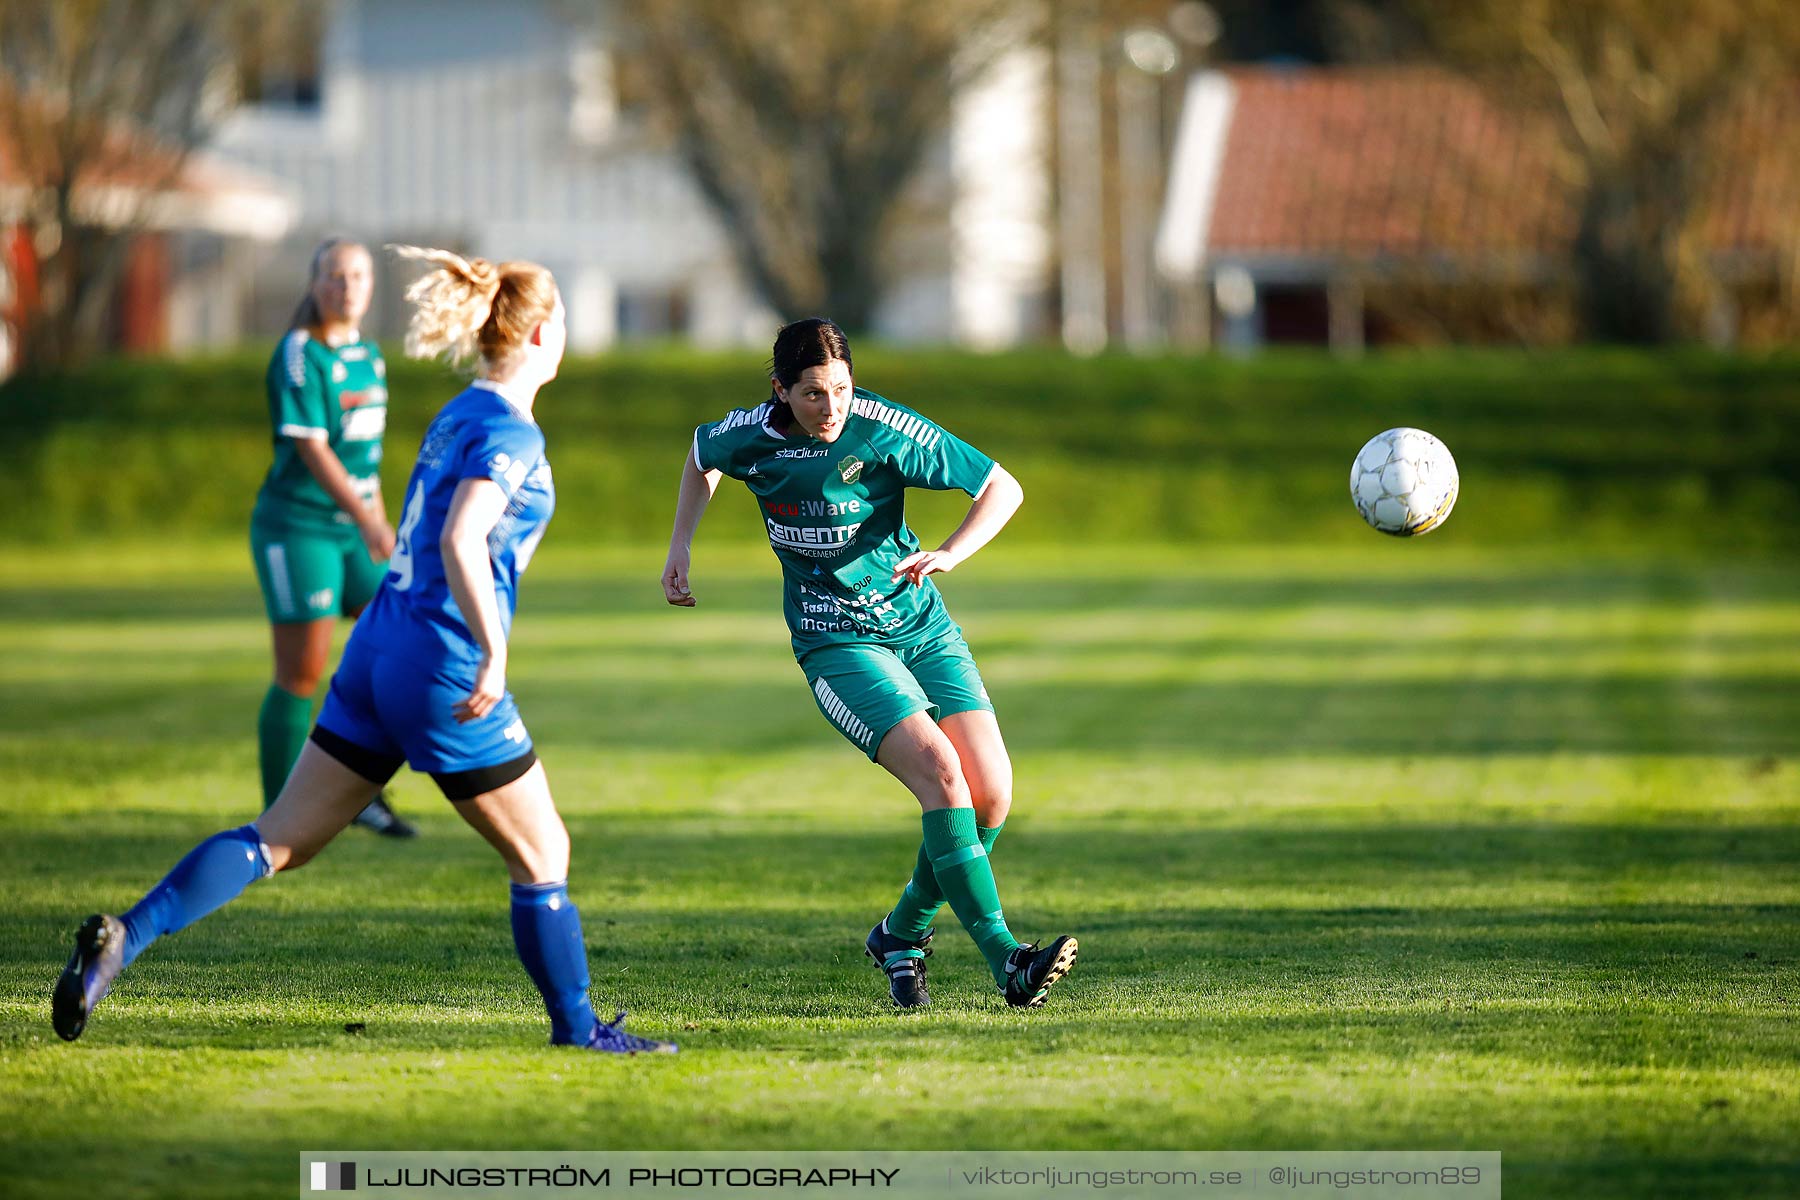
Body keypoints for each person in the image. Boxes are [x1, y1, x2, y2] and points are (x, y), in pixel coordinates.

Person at [54, 247, 676, 1055]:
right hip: (439, 660)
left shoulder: (459, 411)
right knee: (544, 850)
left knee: (280, 839)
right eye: (559, 322)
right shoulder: (509, 432)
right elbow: (462, 536)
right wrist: (492, 651)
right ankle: (580, 1030)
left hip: (377, 647)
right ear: (539, 334)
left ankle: (124, 940)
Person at [662, 317, 1077, 1010]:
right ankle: (1009, 961)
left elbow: (1002, 486)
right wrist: (681, 544)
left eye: (843, 390)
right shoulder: (747, 438)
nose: (832, 409)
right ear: (780, 391)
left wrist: (951, 552)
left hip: (920, 623)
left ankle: (901, 932)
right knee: (944, 776)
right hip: (835, 640)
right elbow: (701, 455)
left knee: (993, 796)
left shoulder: (884, 427)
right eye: (814, 394)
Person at [251, 238, 414, 837]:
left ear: (372, 285)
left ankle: (359, 793)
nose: (347, 286)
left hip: (354, 530)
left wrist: (384, 525)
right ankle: (280, 818)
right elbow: (314, 450)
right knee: (302, 670)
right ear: (315, 282)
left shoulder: (370, 356)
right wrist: (370, 522)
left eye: (358, 275)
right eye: (335, 275)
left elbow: (363, 462)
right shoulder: (300, 354)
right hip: (299, 528)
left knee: (396, 645)